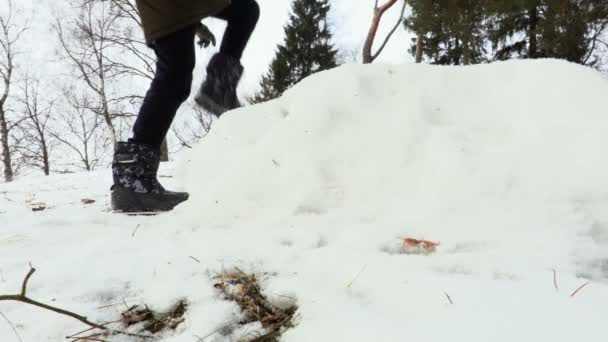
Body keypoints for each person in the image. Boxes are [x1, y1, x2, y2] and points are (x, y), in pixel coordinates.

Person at [111, 0, 260, 212]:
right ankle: (132, 179)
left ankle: (133, 177)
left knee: (245, 10)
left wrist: (197, 26)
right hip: (168, 7)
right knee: (174, 75)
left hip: (176, 8)